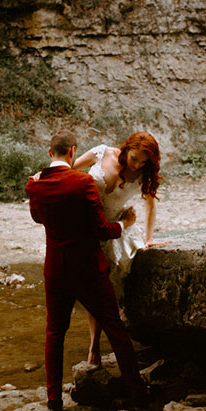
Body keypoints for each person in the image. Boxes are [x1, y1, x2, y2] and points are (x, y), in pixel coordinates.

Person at [25, 130, 149, 411]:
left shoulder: (35, 185)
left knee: (55, 331)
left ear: (50, 153)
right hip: (89, 269)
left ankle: (54, 399)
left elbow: (37, 217)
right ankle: (138, 394)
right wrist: (125, 225)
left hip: (55, 269)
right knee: (115, 327)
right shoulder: (83, 183)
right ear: (72, 151)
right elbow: (102, 231)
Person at [72, 131, 166, 367]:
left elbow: (151, 204)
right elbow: (69, 170)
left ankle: (94, 348)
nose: (136, 165)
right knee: (85, 287)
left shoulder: (143, 173)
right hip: (84, 226)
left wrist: (149, 237)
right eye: (135, 158)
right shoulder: (102, 152)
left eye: (143, 162)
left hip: (114, 230)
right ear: (127, 148)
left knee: (105, 291)